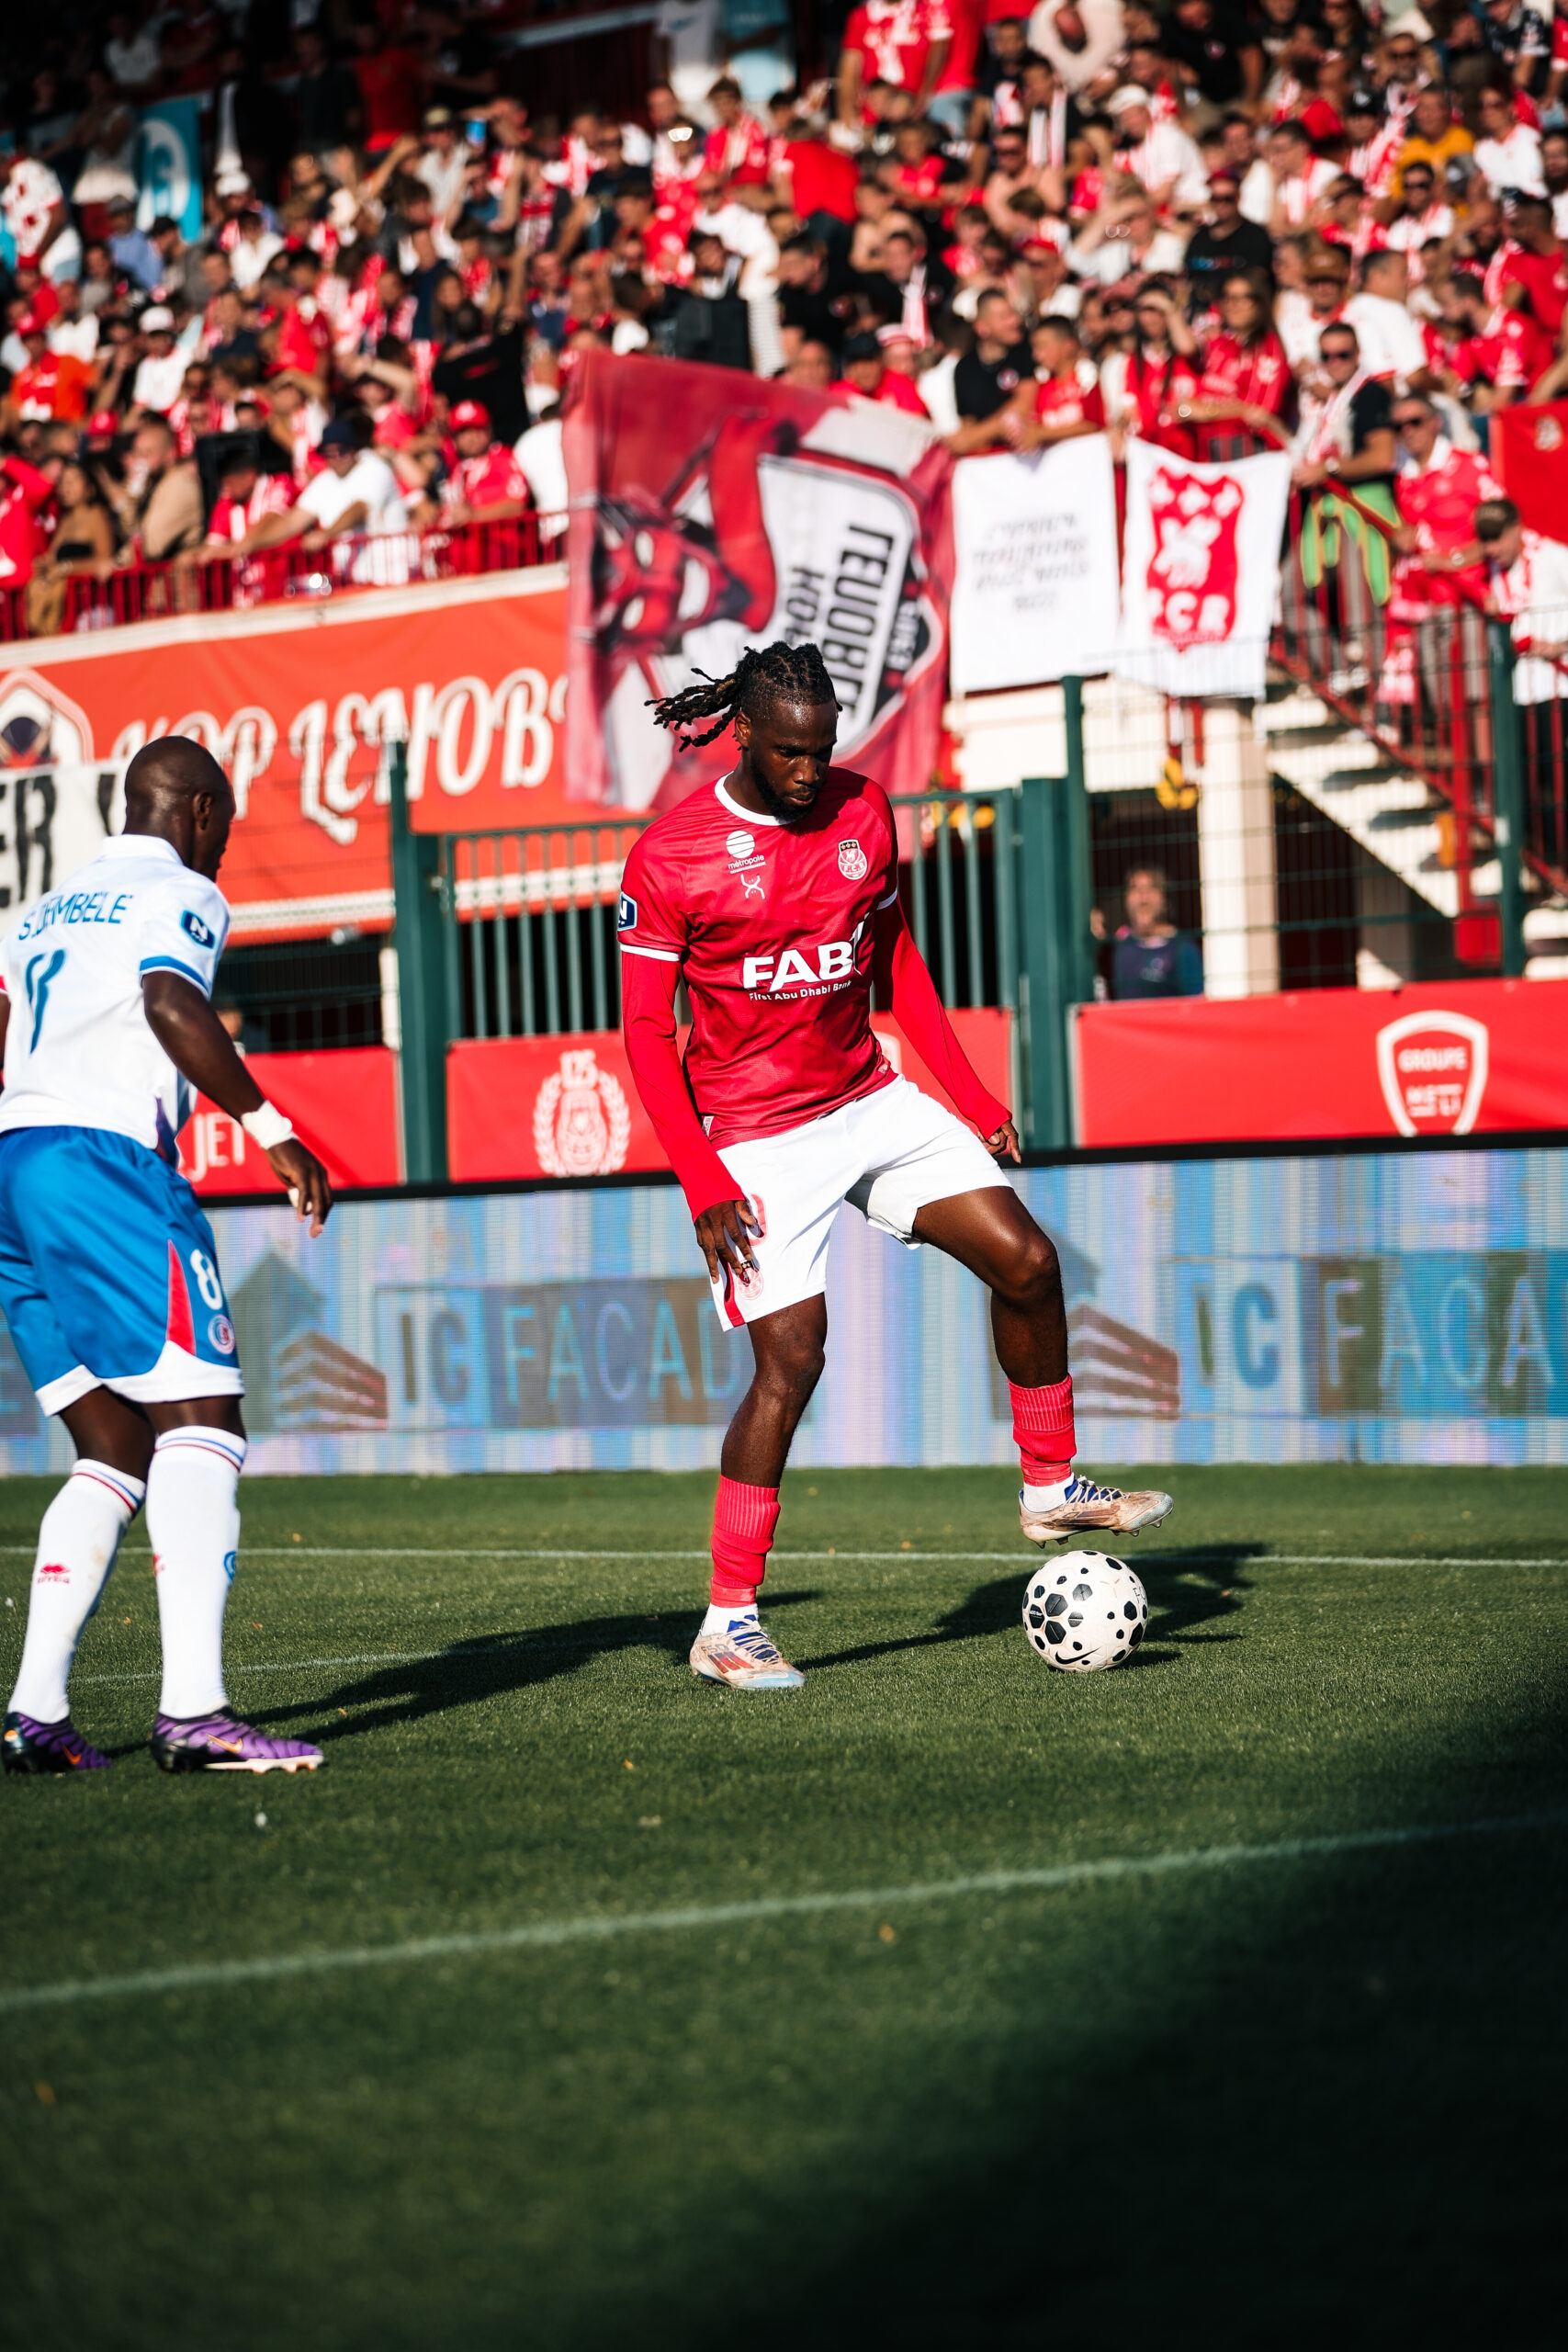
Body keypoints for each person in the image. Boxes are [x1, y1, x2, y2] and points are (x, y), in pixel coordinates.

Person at [616, 639, 1173, 1690]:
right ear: (742, 733)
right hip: (751, 1134)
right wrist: (703, 1180)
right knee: (792, 1360)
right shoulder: (671, 857)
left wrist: (973, 1097)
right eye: (788, 752)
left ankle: (1049, 1485)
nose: (808, 771)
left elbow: (896, 963)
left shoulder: (864, 813)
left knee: (1028, 1260)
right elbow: (646, 1036)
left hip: (868, 1099)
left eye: (822, 750)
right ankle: (727, 1622)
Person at [0, 736, 333, 1776]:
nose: (223, 843)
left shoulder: (39, 911)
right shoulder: (182, 892)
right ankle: (195, 1711)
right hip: (103, 1163)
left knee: (112, 1446)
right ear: (196, 810)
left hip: (15, 1164)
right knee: (203, 1422)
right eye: (223, 821)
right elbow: (170, 1002)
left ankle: (35, 1712)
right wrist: (272, 1127)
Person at [1104, 867, 1204, 998]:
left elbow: (1196, 1002)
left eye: (1151, 888)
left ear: (1164, 899)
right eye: (1135, 889)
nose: (1143, 898)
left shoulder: (1183, 948)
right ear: (1126, 898)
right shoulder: (1116, 950)